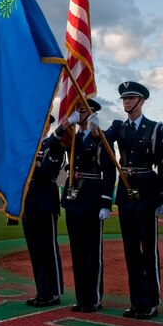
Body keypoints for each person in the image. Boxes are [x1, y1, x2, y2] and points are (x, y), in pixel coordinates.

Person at [105, 81, 163, 320]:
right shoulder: (119, 127)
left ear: (142, 101)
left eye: (131, 99)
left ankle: (151, 301)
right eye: (124, 99)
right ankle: (136, 302)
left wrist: (162, 196)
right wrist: (93, 127)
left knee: (148, 251)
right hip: (125, 192)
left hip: (146, 191)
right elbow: (102, 142)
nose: (127, 102)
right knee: (130, 251)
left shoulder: (154, 128)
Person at [60, 100, 116, 313]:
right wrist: (66, 124)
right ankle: (81, 297)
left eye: (83, 110)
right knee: (77, 252)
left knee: (92, 252)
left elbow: (108, 171)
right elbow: (53, 144)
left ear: (92, 113)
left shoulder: (101, 138)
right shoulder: (72, 137)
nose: (79, 114)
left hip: (92, 197)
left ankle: (94, 298)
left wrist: (105, 203)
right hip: (73, 198)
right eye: (77, 110)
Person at [22, 115, 69, 308]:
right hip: (29, 203)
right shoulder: (29, 147)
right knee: (35, 251)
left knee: (48, 249)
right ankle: (42, 290)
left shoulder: (54, 146)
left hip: (44, 202)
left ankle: (53, 292)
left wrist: (28, 168)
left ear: (48, 126)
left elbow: (45, 172)